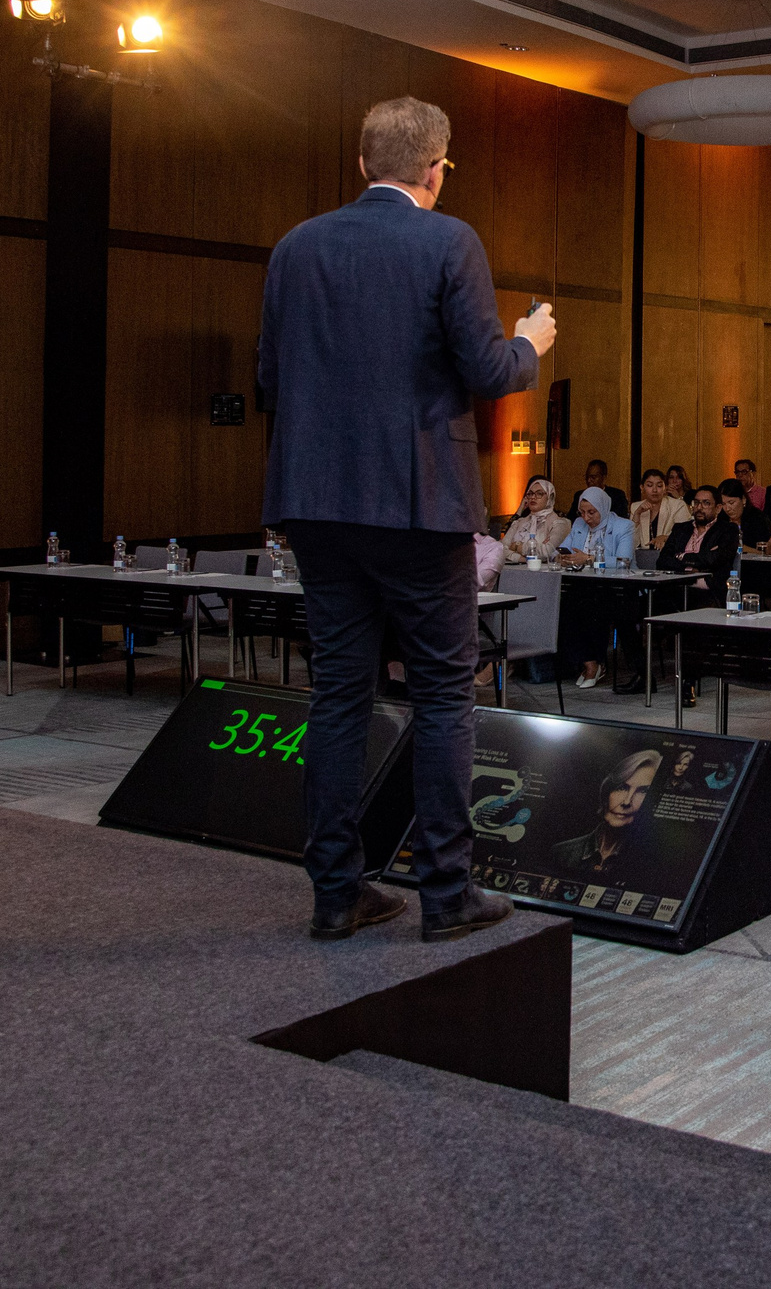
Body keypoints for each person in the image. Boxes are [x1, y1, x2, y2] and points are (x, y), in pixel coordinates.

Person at [259, 94, 555, 944]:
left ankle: (336, 892)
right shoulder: (446, 238)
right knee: (439, 695)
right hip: (420, 504)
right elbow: (488, 368)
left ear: (361, 164)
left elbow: (270, 374)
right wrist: (532, 339)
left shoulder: (295, 246)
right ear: (434, 169)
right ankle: (445, 893)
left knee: (339, 694)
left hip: (316, 503)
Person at [546, 749, 662, 886]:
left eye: (642, 791)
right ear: (607, 790)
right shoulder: (562, 853)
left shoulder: (652, 865)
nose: (626, 802)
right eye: (622, 788)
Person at [558, 488, 636, 688]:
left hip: (618, 588)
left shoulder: (623, 526)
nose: (586, 517)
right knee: (562, 604)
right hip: (583, 584)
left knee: (591, 603)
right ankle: (587, 661)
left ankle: (595, 662)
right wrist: (563, 557)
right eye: (582, 512)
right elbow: (558, 550)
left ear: (603, 507)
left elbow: (624, 560)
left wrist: (589, 559)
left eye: (591, 512)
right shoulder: (578, 525)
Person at [658, 485, 740, 600]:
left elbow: (714, 559)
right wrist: (690, 569)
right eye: (696, 503)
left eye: (706, 503)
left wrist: (681, 556)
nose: (699, 507)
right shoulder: (680, 528)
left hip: (709, 590)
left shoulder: (727, 530)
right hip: (676, 585)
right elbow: (662, 560)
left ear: (718, 508)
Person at [501, 478, 569, 564]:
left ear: (550, 497)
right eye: (530, 493)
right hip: (515, 571)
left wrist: (518, 546)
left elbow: (547, 552)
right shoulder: (519, 522)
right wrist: (522, 559)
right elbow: (500, 549)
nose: (533, 497)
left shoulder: (559, 524)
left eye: (539, 494)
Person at [630, 468, 690, 550]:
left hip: (669, 556)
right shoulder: (635, 507)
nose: (654, 490)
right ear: (642, 487)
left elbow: (685, 537)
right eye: (649, 485)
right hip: (643, 558)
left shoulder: (678, 506)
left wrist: (665, 537)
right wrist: (637, 515)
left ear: (665, 488)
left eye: (659, 486)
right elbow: (631, 543)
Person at [717, 478, 771, 547]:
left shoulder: (758, 519)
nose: (727, 508)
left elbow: (763, 550)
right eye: (723, 504)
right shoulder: (720, 519)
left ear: (743, 500)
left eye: (731, 503)